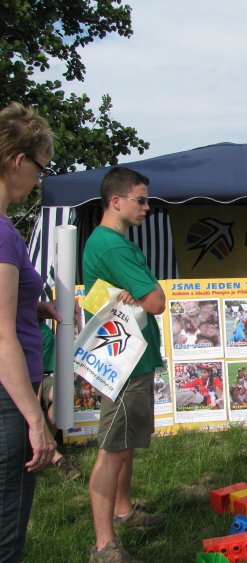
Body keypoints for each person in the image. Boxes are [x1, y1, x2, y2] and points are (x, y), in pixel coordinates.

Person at [83, 166, 168, 563]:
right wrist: (144, 291)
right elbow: (156, 301)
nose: (147, 207)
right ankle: (104, 546)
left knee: (126, 442)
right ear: (116, 201)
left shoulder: (111, 242)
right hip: (125, 363)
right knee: (113, 449)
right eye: (141, 200)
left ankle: (123, 512)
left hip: (130, 357)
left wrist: (140, 291)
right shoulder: (113, 246)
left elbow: (144, 296)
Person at [0, 102, 59, 562]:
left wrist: (35, 306)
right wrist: (37, 421)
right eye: (40, 168)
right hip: (10, 398)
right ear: (18, 161)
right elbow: (2, 337)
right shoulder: (3, 234)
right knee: (7, 533)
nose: (39, 180)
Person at [38, 320, 82, 480]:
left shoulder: (41, 321)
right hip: (20, 378)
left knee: (65, 393)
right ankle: (56, 458)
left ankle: (45, 447)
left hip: (42, 376)